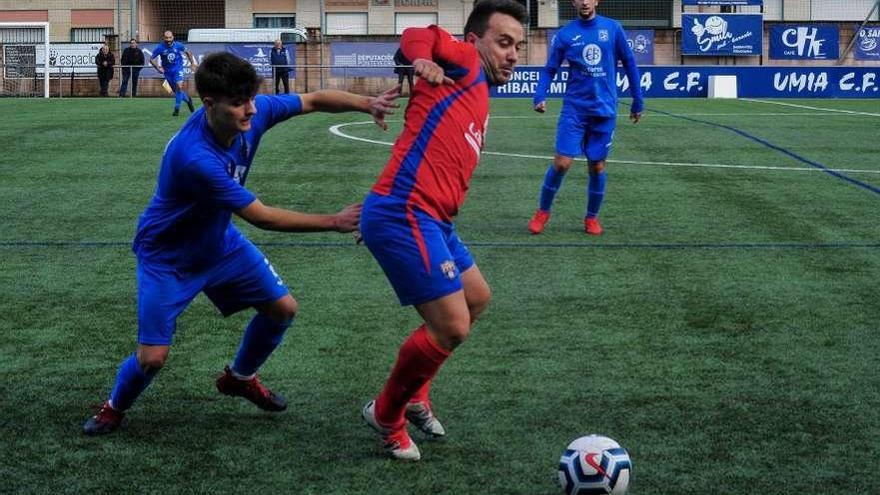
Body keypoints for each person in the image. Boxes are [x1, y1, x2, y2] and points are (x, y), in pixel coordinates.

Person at [83, 52, 400, 436]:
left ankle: (240, 377)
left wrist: (368, 103)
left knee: (282, 309)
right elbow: (261, 216)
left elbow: (313, 99)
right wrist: (333, 221)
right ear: (209, 103)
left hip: (219, 243)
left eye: (252, 98)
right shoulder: (193, 157)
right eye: (238, 104)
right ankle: (114, 407)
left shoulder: (254, 111)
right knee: (152, 358)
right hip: (168, 258)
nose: (251, 110)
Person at [359, 0, 527, 461]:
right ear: (475, 41)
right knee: (452, 325)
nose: (513, 54)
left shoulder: (477, 90)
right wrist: (421, 58)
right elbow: (420, 32)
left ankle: (415, 394)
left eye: (519, 46)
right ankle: (387, 414)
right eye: (504, 42)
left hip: (432, 219)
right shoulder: (467, 62)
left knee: (476, 299)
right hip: (406, 212)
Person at [527, 0, 643, 236]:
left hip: (604, 110)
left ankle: (591, 218)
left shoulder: (612, 28)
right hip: (575, 108)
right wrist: (540, 94)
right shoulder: (566, 34)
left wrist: (637, 99)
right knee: (562, 163)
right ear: (573, 2)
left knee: (597, 166)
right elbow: (551, 69)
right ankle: (542, 211)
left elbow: (630, 63)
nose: (585, 2)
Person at [150, 31, 198, 116]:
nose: (168, 40)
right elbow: (151, 59)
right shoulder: (160, 47)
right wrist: (158, 68)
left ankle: (176, 108)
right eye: (166, 38)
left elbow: (188, 53)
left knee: (179, 86)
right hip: (167, 72)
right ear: (164, 38)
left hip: (178, 69)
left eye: (170, 37)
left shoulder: (178, 45)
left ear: (173, 37)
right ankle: (188, 100)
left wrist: (193, 64)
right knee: (176, 91)